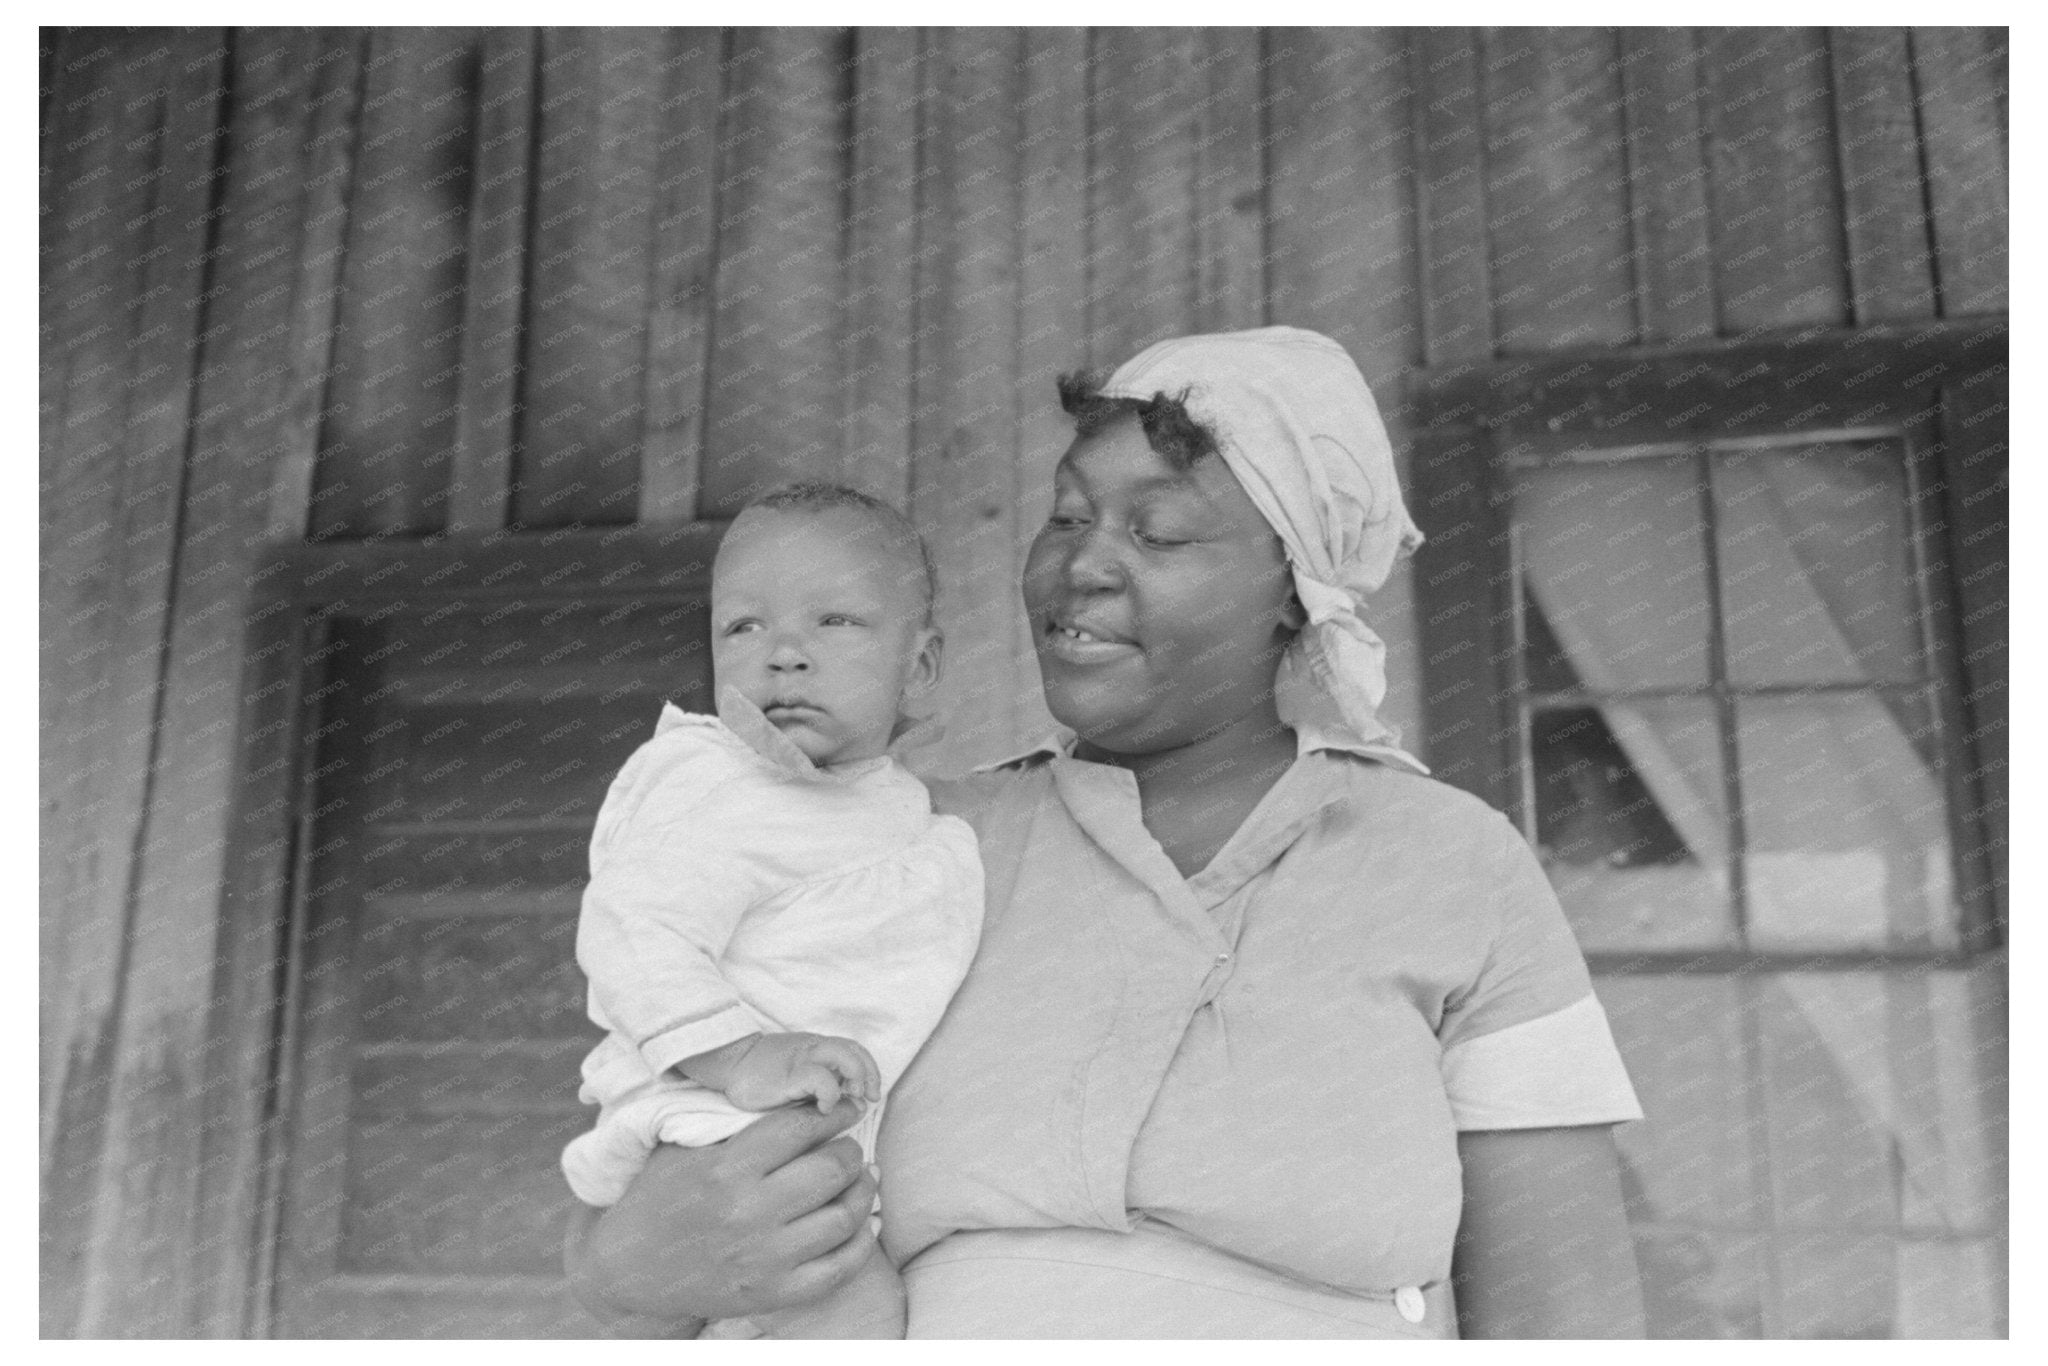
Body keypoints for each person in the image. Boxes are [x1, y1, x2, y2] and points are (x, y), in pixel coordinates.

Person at [565, 327, 1647, 1339]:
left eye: (1158, 528)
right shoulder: (906, 851)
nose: (1083, 563)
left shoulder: (1454, 864)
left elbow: (1569, 1306)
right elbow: (653, 1140)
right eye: (1068, 516)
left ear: (1294, 587)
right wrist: (629, 1269)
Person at [560, 483, 984, 1338]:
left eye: (835, 622)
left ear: (922, 666)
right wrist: (739, 1053)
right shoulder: (713, 780)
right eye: (743, 628)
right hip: (721, 1117)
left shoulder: (900, 808)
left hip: (817, 1137)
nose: (783, 654)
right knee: (854, 1309)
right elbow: (633, 930)